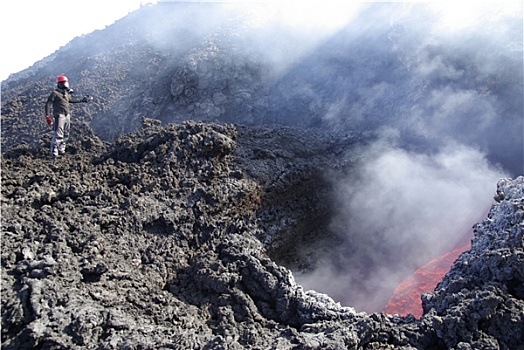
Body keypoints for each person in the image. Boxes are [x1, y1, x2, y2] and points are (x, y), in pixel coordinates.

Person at [45, 75, 93, 158]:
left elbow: (71, 100)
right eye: (64, 83)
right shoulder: (55, 93)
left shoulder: (65, 94)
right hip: (59, 115)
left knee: (66, 134)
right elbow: (48, 103)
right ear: (59, 84)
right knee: (58, 134)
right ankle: (54, 153)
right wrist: (47, 116)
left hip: (67, 115)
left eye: (66, 82)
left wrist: (82, 100)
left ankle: (61, 150)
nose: (65, 84)